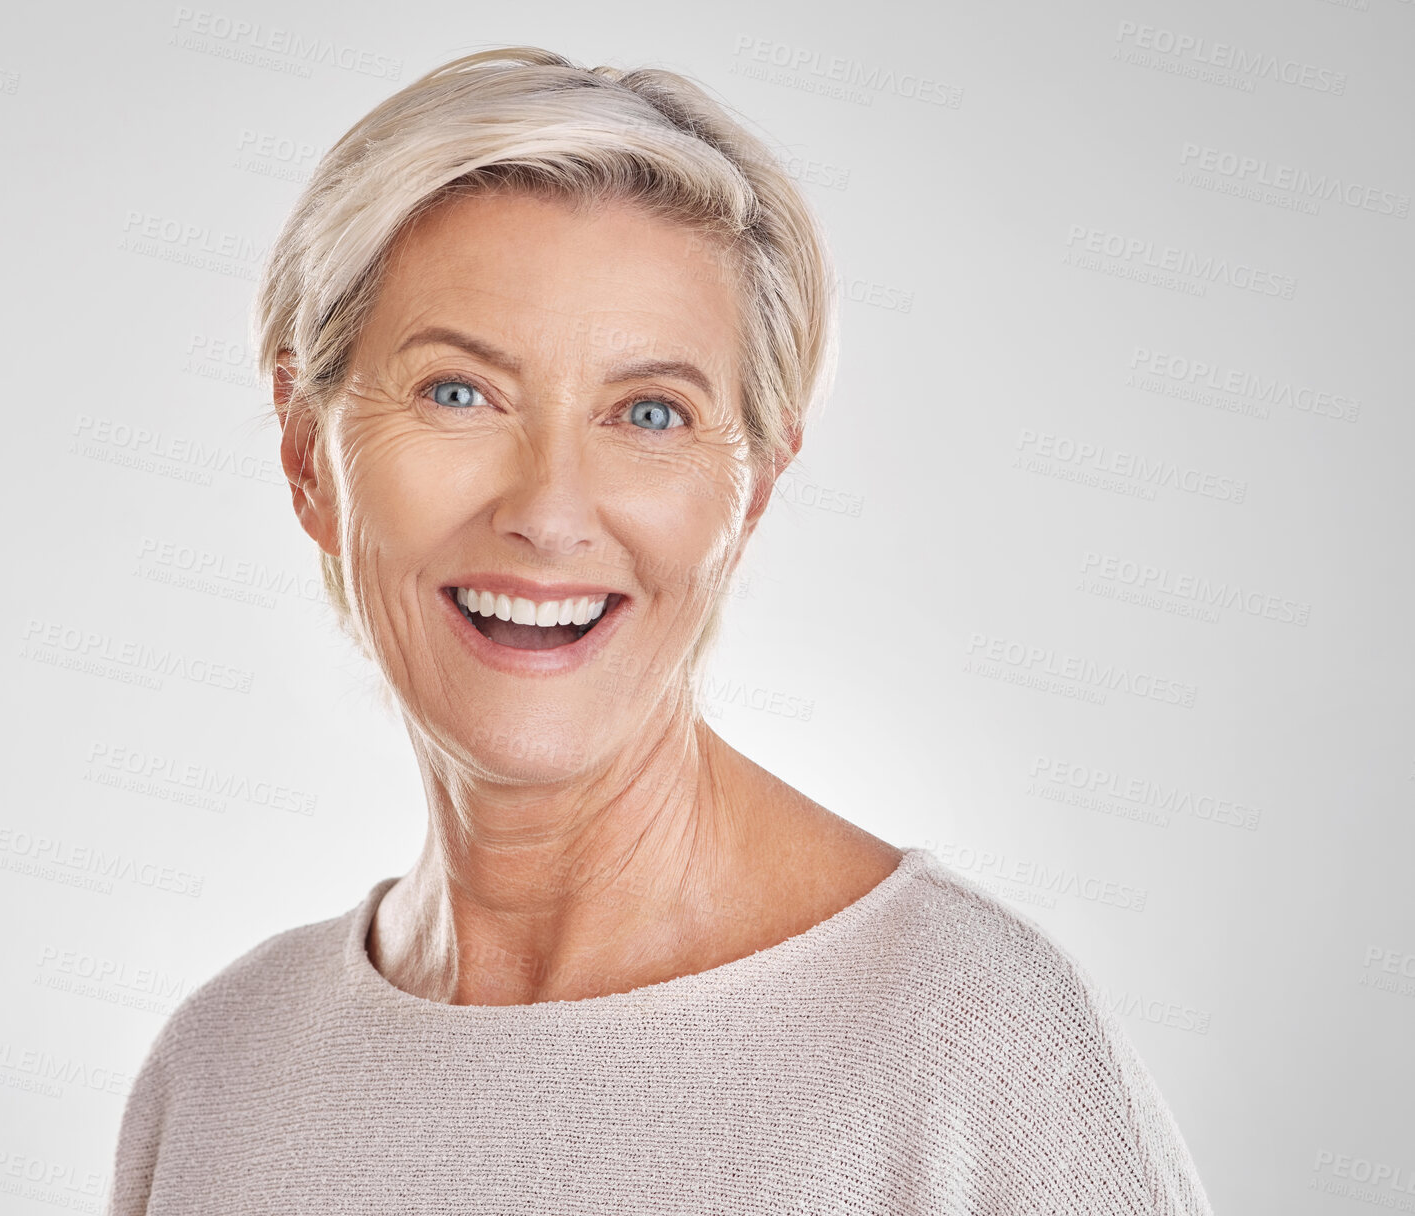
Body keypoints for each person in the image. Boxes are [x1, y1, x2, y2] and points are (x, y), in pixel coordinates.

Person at [105, 46, 1215, 1214]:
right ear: (305, 456)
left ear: (755, 490)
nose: (546, 510)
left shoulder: (965, 1046)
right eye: (457, 391)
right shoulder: (221, 1073)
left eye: (649, 413)